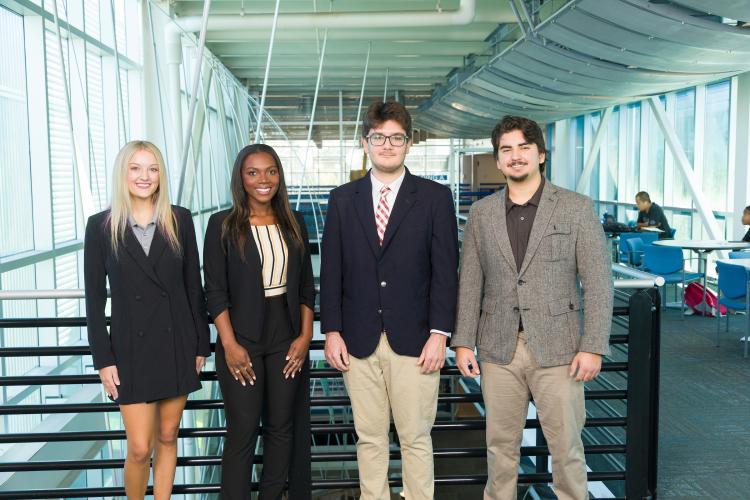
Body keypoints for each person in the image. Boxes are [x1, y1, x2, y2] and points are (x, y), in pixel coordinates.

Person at [452, 116, 613, 500]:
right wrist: (463, 342)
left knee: (567, 451)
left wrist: (593, 346)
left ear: (541, 155)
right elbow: (470, 281)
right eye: (506, 149)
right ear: (498, 158)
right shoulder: (482, 213)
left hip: (561, 349)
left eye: (524, 147)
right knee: (500, 451)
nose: (515, 156)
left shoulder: (576, 208)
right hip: (498, 350)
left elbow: (598, 281)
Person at [320, 100, 459, 500]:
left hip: (417, 341)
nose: (387, 145)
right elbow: (331, 271)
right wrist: (331, 330)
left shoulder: (434, 197)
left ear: (409, 143)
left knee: (416, 438)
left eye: (396, 137)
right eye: (379, 137)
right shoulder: (343, 199)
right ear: (365, 143)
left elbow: (445, 271)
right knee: (370, 438)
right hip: (358, 338)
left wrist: (439, 334)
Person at [84, 140, 210, 499]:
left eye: (152, 168)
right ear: (123, 173)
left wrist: (200, 343)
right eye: (136, 168)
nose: (145, 176)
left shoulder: (179, 219)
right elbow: (94, 302)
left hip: (176, 344)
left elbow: (192, 287)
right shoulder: (100, 226)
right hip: (129, 352)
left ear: (161, 175)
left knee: (168, 436)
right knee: (140, 447)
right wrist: (103, 360)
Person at [203, 144, 315, 499]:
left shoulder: (294, 221)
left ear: (279, 176)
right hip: (242, 339)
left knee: (281, 429)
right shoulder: (221, 224)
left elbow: (305, 288)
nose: (263, 180)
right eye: (253, 173)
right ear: (241, 178)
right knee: (243, 430)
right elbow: (215, 291)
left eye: (271, 171)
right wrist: (231, 345)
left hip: (286, 337)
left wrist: (305, 337)